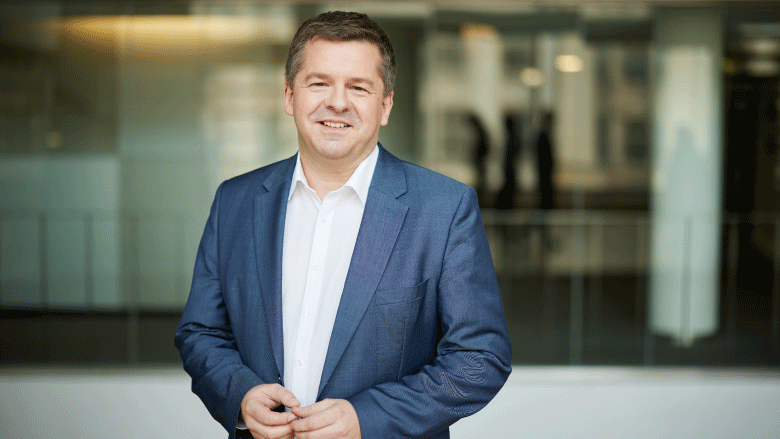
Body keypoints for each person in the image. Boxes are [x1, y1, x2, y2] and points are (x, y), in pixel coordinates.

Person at [175, 11, 511, 439]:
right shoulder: (234, 201)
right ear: (289, 96)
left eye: (358, 87)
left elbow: (480, 358)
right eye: (319, 83)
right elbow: (200, 332)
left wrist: (365, 418)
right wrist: (240, 394)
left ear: (385, 106)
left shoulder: (444, 210)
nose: (337, 102)